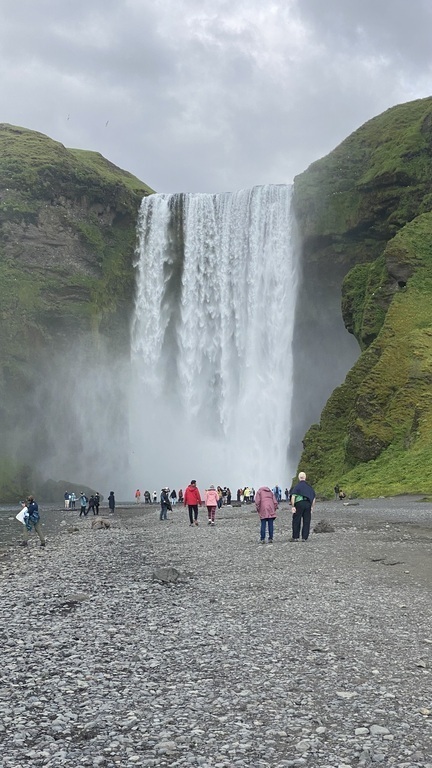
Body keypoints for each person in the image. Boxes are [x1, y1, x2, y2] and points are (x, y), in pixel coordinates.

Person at [290, 472, 316, 542]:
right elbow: (313, 498)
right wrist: (312, 507)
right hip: (308, 504)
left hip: (299, 504)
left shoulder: (297, 487)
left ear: (299, 478)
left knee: (296, 520)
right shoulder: (309, 487)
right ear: (305, 478)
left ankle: (295, 537)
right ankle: (304, 537)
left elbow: (293, 497)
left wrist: (293, 506)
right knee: (307, 521)